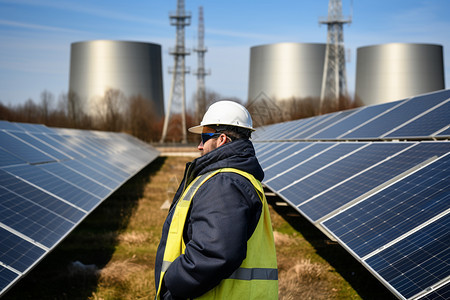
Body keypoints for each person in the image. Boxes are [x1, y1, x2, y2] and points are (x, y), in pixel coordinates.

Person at [154, 100, 278, 299]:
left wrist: (171, 287)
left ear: (221, 139)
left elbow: (214, 254)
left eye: (204, 137)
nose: (199, 145)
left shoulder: (224, 183)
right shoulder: (236, 177)